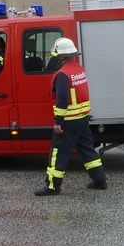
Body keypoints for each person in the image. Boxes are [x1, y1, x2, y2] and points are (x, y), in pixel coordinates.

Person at [34, 37, 107, 196]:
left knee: (58, 153)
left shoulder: (62, 74)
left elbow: (62, 100)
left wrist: (58, 122)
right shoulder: (78, 69)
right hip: (82, 119)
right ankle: (100, 180)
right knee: (88, 150)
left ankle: (52, 187)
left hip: (68, 121)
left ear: (60, 56)